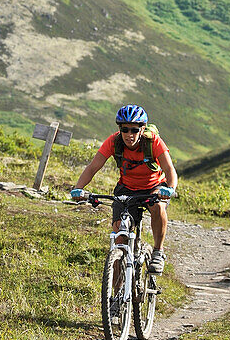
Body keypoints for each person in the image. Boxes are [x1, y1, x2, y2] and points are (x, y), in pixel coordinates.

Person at [71, 104, 177, 273]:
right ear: (120, 129)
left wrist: (170, 188)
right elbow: (93, 167)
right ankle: (115, 294)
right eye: (125, 129)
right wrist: (78, 189)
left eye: (134, 130)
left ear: (142, 129)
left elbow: (170, 169)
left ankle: (158, 251)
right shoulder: (114, 142)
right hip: (126, 188)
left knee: (158, 206)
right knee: (119, 237)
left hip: (154, 187)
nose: (129, 135)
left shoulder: (153, 142)